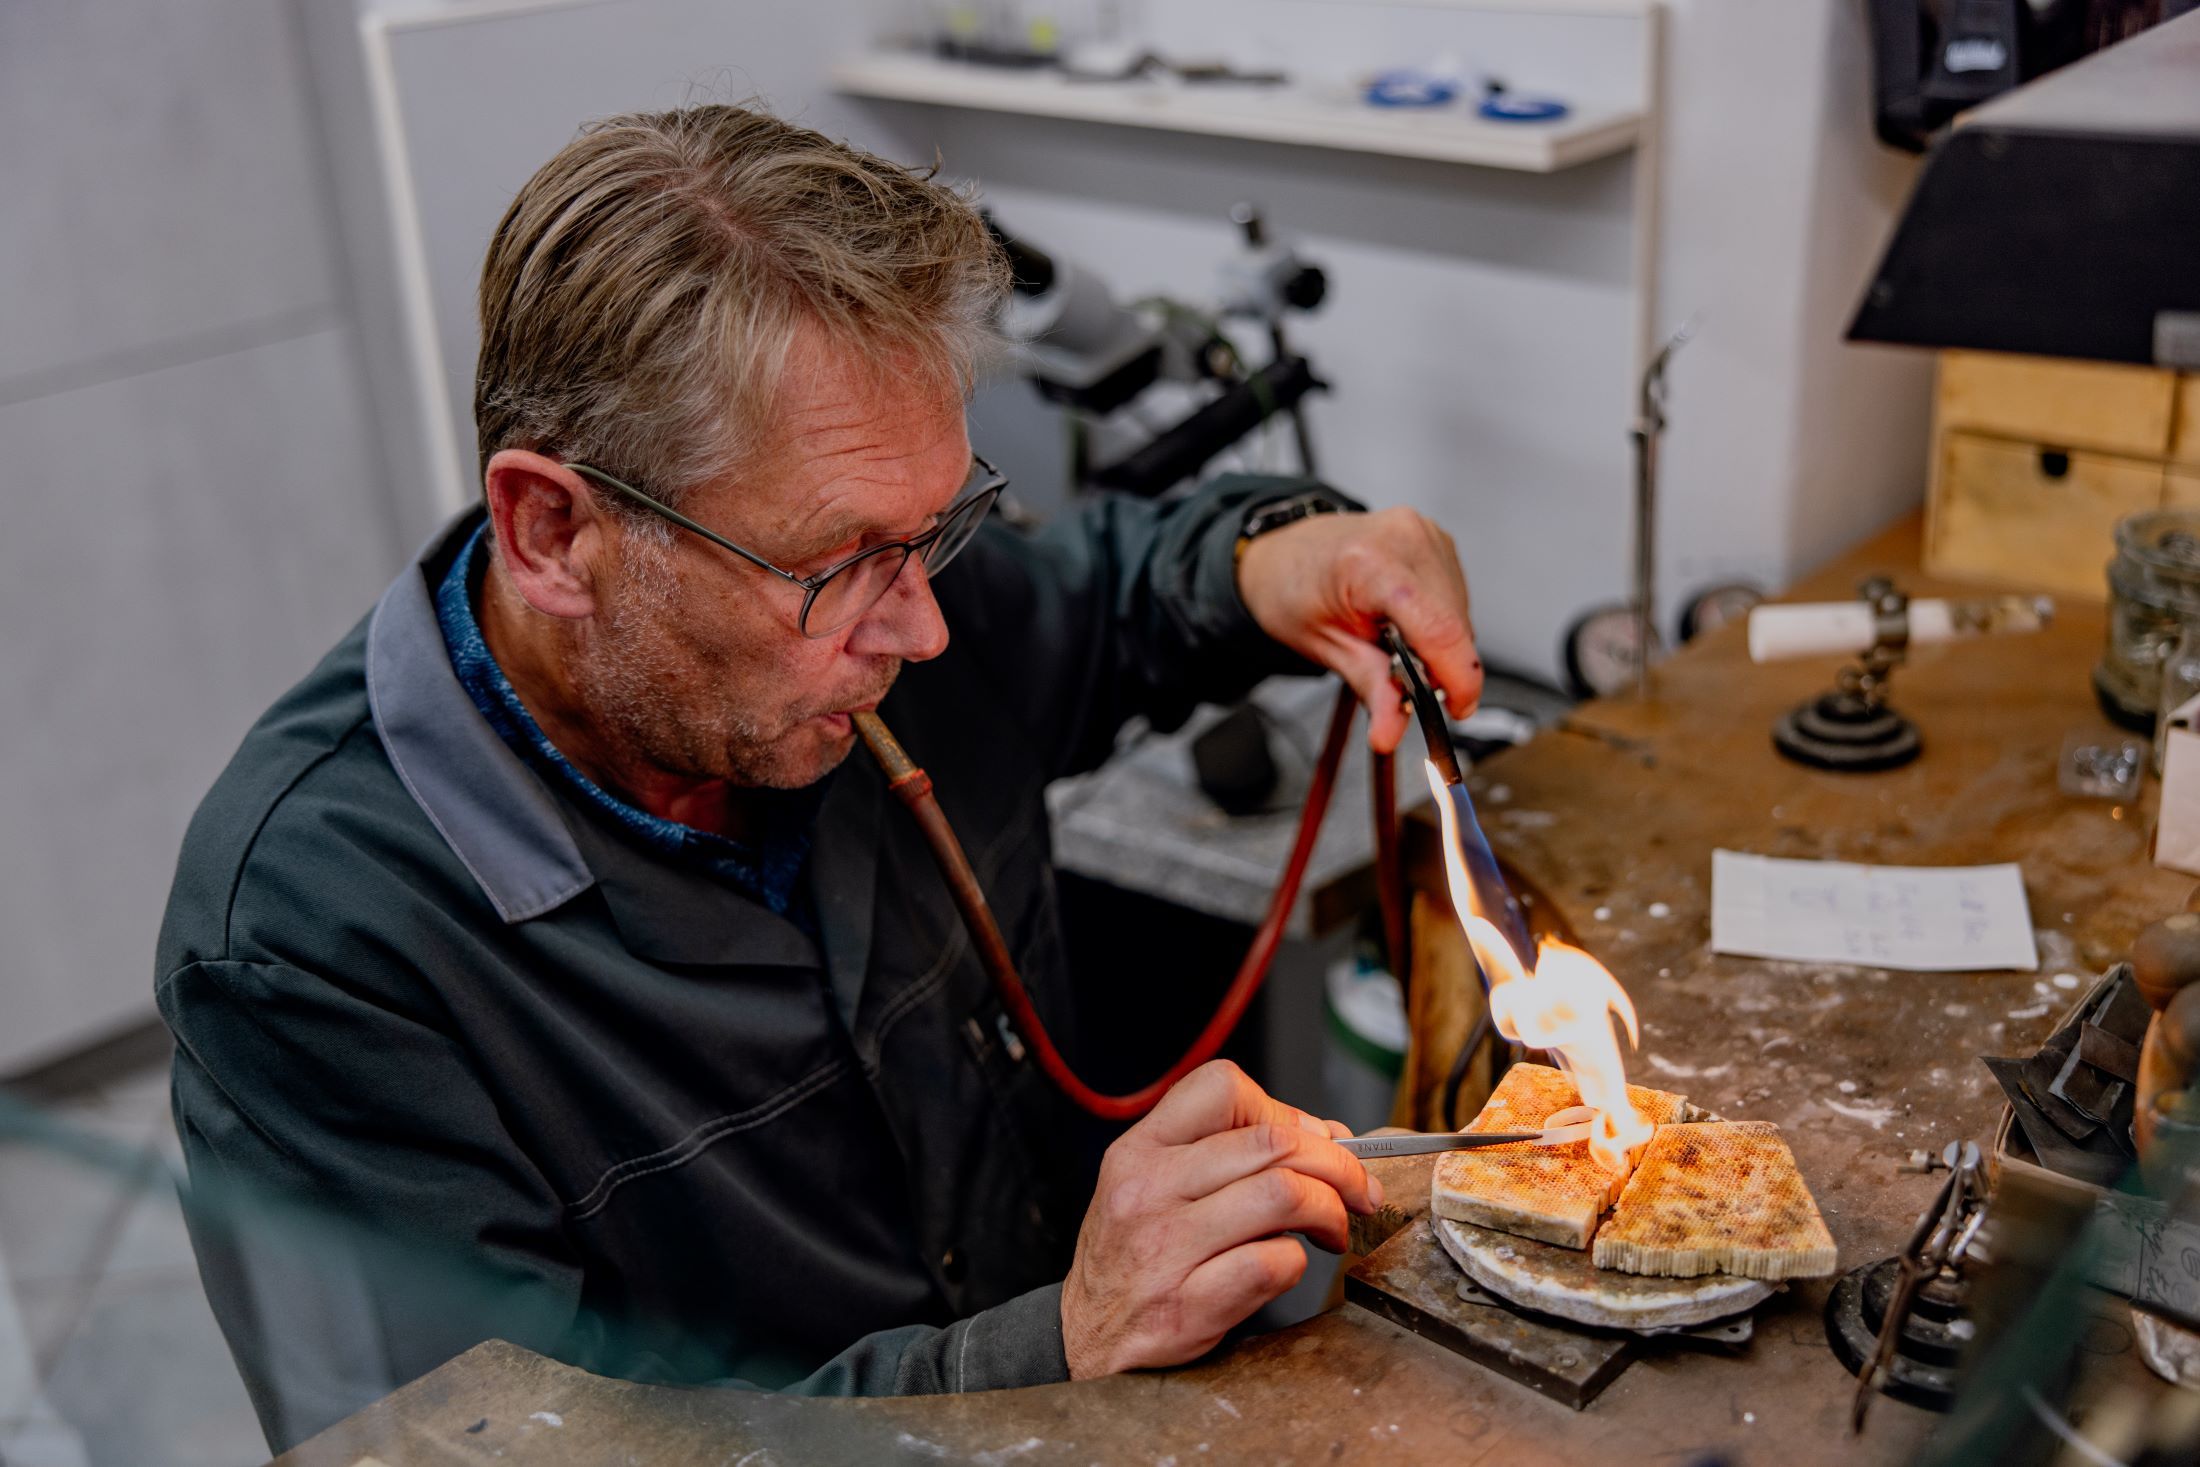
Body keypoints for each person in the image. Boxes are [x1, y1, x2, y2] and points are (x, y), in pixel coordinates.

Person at [155, 104, 1482, 1452]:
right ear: (555, 532)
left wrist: (1277, 556)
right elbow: (491, 1451)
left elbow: (1108, 597)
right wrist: (1055, 1343)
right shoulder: (309, 945)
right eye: (843, 563)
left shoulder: (873, 622)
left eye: (938, 531)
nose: (922, 631)